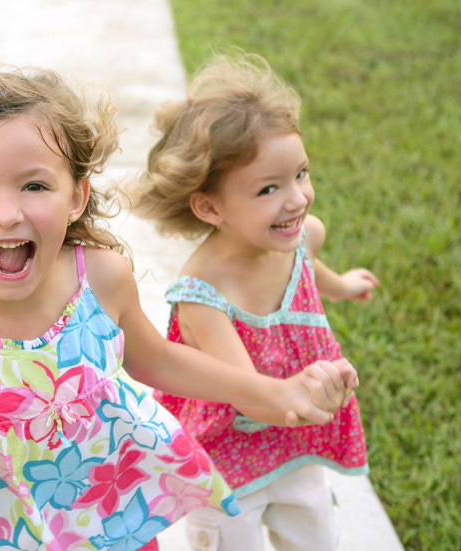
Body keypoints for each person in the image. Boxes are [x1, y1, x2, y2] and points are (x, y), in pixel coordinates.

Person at [0, 67, 357, 551]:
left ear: (76, 196)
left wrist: (277, 392)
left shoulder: (102, 278)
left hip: (122, 526)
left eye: (35, 185)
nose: (7, 213)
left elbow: (157, 359)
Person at [129, 52, 379, 551]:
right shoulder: (202, 292)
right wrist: (311, 390)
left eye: (301, 174)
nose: (296, 199)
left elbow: (313, 273)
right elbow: (247, 395)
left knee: (314, 534)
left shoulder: (303, 235)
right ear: (209, 206)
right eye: (269, 188)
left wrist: (344, 285)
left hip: (293, 445)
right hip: (229, 464)